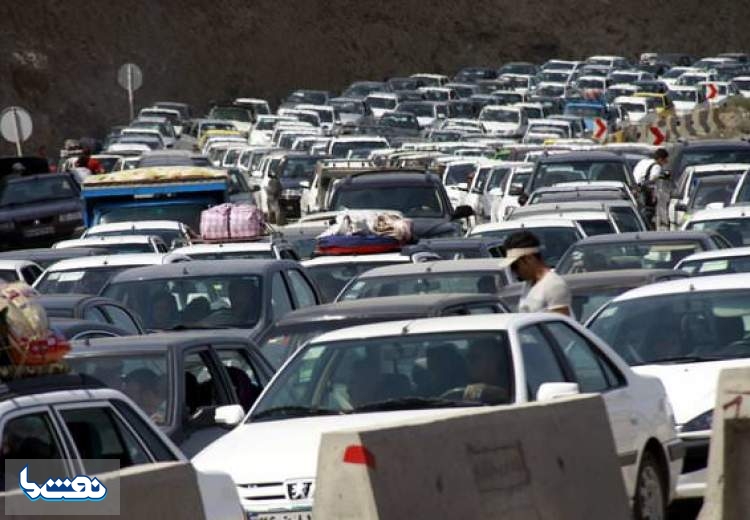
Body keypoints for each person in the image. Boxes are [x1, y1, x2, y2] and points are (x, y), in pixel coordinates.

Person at [500, 230, 572, 316]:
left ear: (529, 259)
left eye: (515, 266)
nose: (514, 271)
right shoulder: (529, 284)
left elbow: (560, 322)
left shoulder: (554, 285)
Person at [633, 148, 670, 229]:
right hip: (646, 193)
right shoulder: (657, 166)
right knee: (648, 212)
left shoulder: (643, 162)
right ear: (660, 159)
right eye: (665, 160)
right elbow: (653, 178)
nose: (666, 163)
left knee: (639, 212)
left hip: (636, 189)